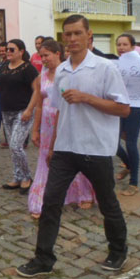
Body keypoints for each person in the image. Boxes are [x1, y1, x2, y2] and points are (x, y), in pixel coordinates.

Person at [16, 14, 130, 277]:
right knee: (50, 203)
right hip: (66, 149)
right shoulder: (63, 70)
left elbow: (123, 109)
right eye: (68, 34)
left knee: (107, 202)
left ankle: (118, 250)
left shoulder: (105, 67)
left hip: (96, 148)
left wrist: (87, 98)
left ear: (89, 35)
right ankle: (43, 259)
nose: (72, 38)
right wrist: (53, 145)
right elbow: (58, 112)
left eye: (78, 33)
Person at [28, 40, 95, 219]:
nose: (43, 59)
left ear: (58, 54)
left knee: (71, 157)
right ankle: (42, 199)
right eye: (41, 56)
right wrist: (35, 129)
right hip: (46, 126)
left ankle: (83, 192)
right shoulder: (41, 75)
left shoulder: (67, 72)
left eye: (46, 55)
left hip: (66, 121)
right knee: (46, 161)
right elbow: (39, 104)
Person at [0, 39, 38, 194]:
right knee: (13, 148)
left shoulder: (28, 69)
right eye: (7, 49)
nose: (8, 52)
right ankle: (17, 177)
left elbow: (36, 90)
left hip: (23, 111)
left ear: (21, 51)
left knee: (15, 145)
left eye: (12, 49)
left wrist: (29, 109)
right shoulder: (3, 67)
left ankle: (27, 177)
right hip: (6, 112)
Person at [114, 34, 140, 195]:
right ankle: (128, 165)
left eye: (125, 44)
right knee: (113, 142)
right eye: (119, 44)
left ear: (132, 47)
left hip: (136, 108)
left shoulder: (138, 61)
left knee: (131, 144)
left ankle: (134, 183)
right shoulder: (117, 64)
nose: (121, 47)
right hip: (120, 106)